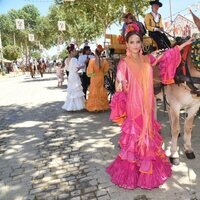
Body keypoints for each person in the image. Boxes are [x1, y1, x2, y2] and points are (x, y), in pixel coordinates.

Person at [106, 28, 194, 189]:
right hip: (134, 105)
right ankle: (133, 172)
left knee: (148, 134)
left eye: (137, 42)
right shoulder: (124, 63)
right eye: (131, 42)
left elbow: (167, 55)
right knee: (136, 135)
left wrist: (184, 45)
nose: (135, 45)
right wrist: (119, 81)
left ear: (141, 44)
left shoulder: (147, 59)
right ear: (127, 44)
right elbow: (120, 80)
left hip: (148, 104)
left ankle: (146, 169)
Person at [85, 45, 110, 112]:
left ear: (95, 52)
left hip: (94, 78)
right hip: (101, 77)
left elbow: (89, 72)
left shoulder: (92, 61)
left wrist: (93, 74)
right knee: (100, 90)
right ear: (101, 53)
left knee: (94, 91)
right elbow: (105, 71)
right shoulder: (104, 61)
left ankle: (95, 107)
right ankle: (101, 107)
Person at [62, 44, 85, 111]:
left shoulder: (66, 59)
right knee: (76, 90)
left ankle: (70, 105)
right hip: (74, 75)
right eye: (74, 51)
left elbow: (67, 69)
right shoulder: (74, 59)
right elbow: (76, 69)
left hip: (70, 76)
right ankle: (77, 106)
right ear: (71, 51)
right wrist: (82, 66)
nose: (75, 52)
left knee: (72, 90)